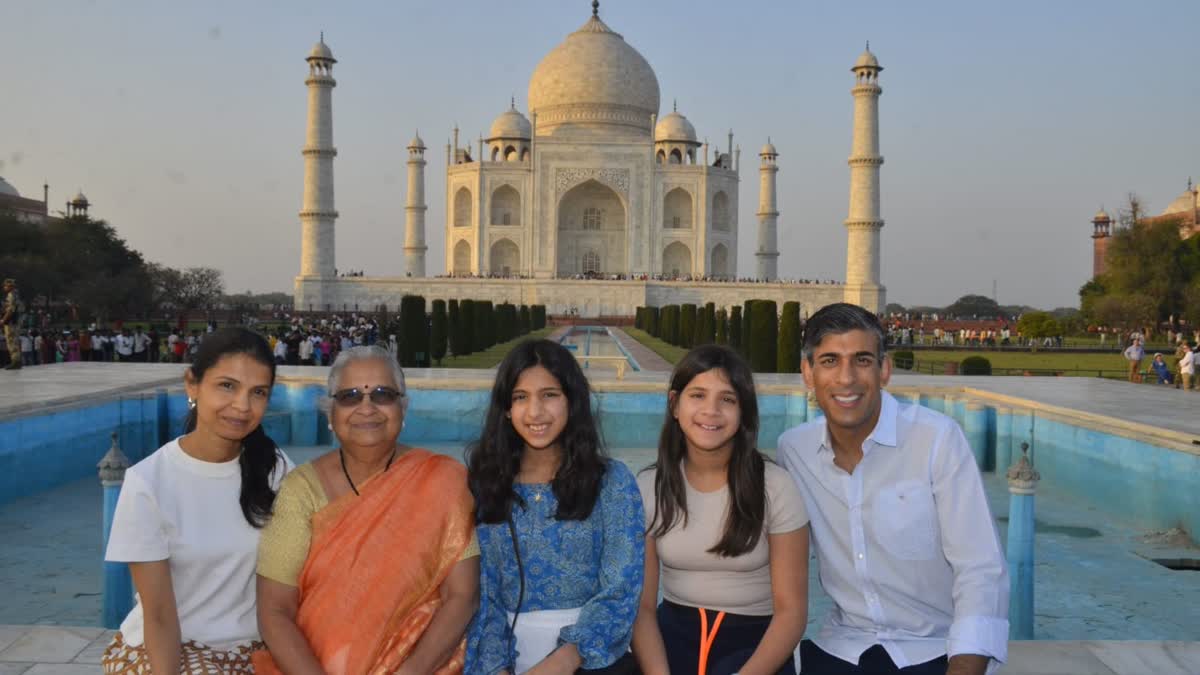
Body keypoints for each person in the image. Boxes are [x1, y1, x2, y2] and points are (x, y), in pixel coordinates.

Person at [778, 303, 1008, 675]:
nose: (846, 378)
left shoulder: (935, 439)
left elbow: (980, 568)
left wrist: (965, 665)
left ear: (884, 370)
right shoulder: (795, 450)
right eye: (830, 361)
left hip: (934, 647)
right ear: (808, 372)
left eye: (862, 360)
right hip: (843, 645)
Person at [255, 346, 478, 674]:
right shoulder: (302, 490)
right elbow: (274, 610)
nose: (367, 407)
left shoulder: (444, 480)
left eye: (383, 395)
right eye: (350, 396)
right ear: (330, 412)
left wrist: (411, 672)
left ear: (403, 408)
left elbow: (462, 596)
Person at [101, 327, 292, 673]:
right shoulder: (148, 482)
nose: (242, 406)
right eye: (227, 386)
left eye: (258, 392)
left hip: (254, 648)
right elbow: (158, 615)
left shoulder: (275, 470)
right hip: (169, 647)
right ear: (192, 384)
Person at [465, 339, 644, 674]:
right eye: (521, 397)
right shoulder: (485, 485)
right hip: (502, 658)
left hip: (589, 659)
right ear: (506, 407)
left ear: (572, 401)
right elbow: (482, 592)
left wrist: (565, 660)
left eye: (549, 395)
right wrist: (494, 666)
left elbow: (620, 589)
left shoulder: (612, 482)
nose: (535, 412)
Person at [632, 345, 809, 675]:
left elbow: (792, 613)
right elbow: (642, 607)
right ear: (674, 404)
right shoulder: (648, 487)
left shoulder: (775, 487)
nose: (710, 411)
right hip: (671, 645)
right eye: (697, 395)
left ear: (743, 412)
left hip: (755, 650)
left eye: (727, 399)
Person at [2, 279, 23, 370]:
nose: (4, 287)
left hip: (11, 321)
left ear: (10, 286)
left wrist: (3, 320)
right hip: (15, 321)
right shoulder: (16, 294)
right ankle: (16, 361)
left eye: (6, 286)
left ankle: (15, 362)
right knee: (14, 340)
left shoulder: (11, 295)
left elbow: (10, 310)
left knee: (11, 340)